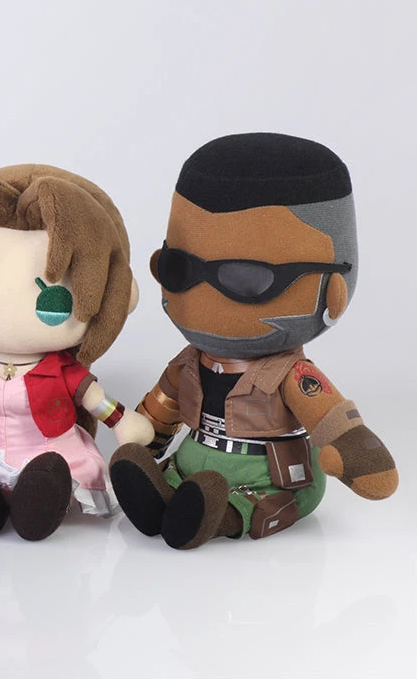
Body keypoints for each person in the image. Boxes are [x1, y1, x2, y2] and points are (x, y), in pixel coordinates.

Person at [110, 132, 398, 550]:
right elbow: (164, 405)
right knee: (176, 478)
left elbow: (331, 417)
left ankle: (220, 516)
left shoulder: (291, 374)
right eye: (177, 268)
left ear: (333, 290)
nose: (202, 298)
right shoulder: (190, 361)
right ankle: (168, 498)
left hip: (271, 477)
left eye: (245, 279)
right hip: (194, 457)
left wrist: (358, 453)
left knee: (248, 502)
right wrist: (145, 437)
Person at [0, 165, 153, 541]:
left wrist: (122, 422)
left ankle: (39, 501)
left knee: (49, 473)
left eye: (53, 303)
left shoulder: (62, 370)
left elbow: (96, 401)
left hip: (50, 453)